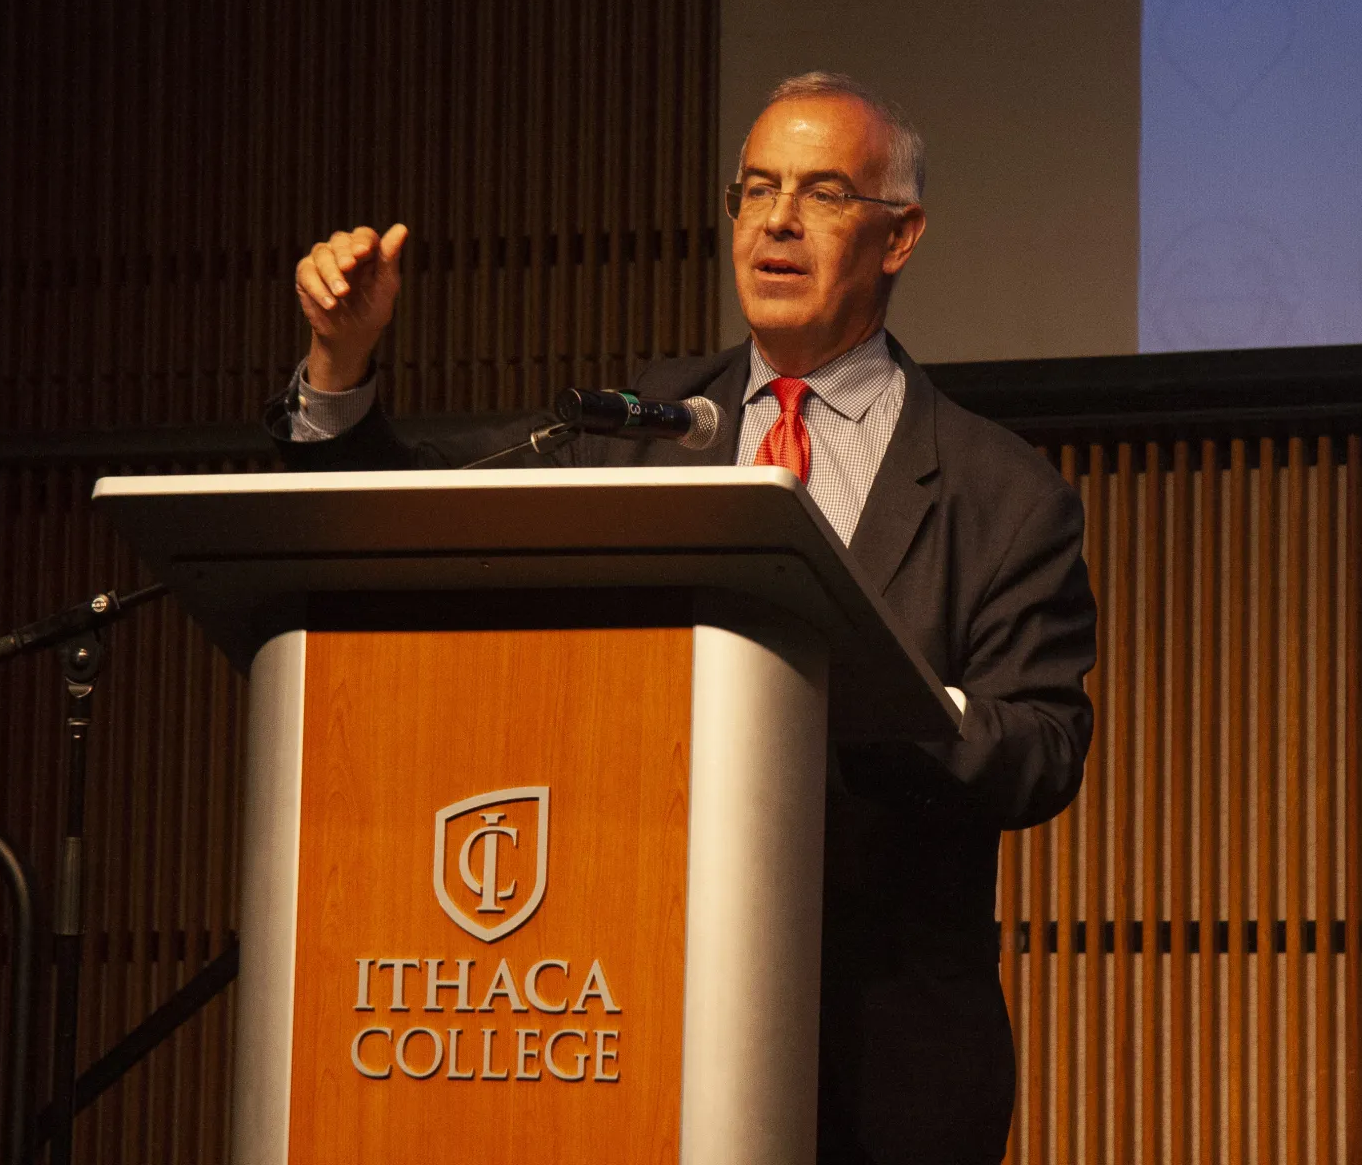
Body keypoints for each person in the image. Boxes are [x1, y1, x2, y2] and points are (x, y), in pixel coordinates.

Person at [267, 71, 1096, 1164]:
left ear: (900, 235)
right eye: (756, 190)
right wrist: (341, 363)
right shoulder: (638, 429)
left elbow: (1041, 746)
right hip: (627, 1017)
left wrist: (862, 691)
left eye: (824, 193)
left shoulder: (1003, 492)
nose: (778, 221)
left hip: (884, 1059)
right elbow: (419, 523)